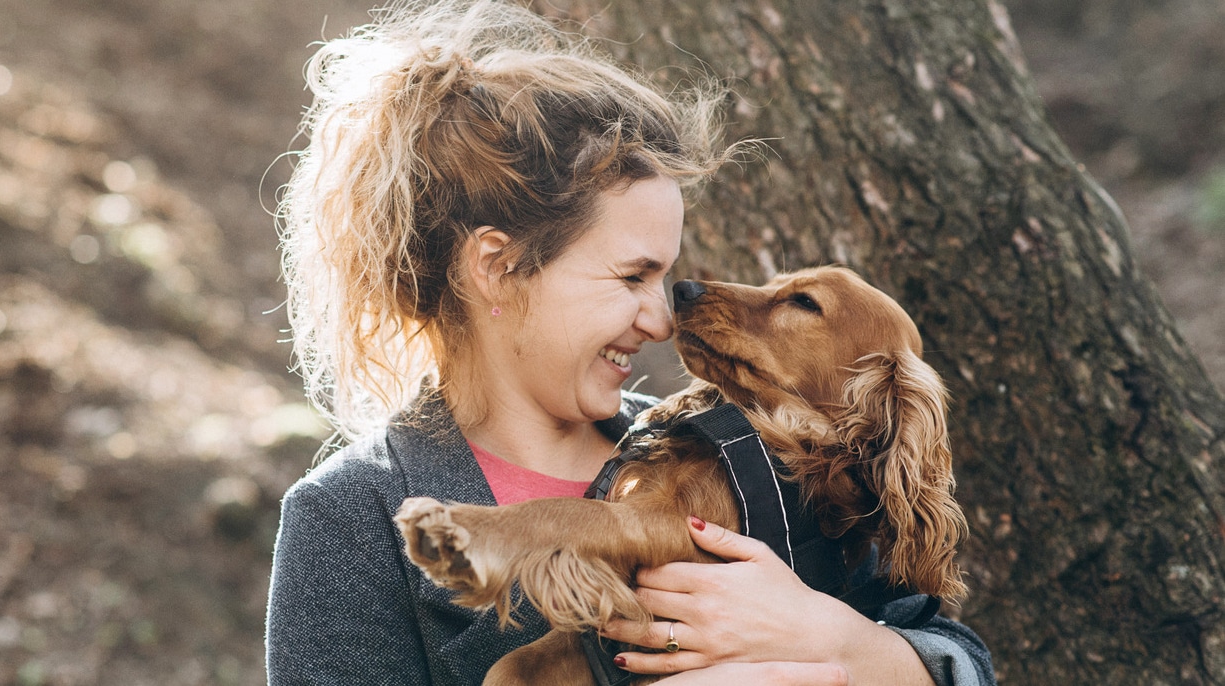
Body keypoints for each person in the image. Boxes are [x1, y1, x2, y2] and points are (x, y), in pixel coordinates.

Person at [266, 1, 996, 684]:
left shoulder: (734, 451)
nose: (660, 317)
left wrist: (835, 642)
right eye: (631, 277)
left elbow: (957, 657)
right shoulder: (347, 518)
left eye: (664, 278)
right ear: (497, 268)